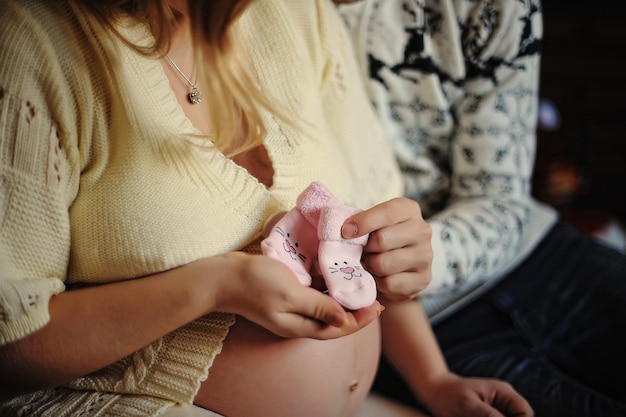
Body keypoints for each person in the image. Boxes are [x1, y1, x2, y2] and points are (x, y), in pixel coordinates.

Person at [0, 0, 535, 416]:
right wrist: (215, 286)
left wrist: (435, 381)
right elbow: (11, 338)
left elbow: (359, 241)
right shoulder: (34, 41)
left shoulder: (300, 12)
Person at [336, 0, 626, 416]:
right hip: (415, 324)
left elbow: (498, 196)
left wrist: (420, 258)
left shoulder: (492, 7)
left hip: (535, 250)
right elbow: (204, 90)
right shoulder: (268, 18)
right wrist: (201, 89)